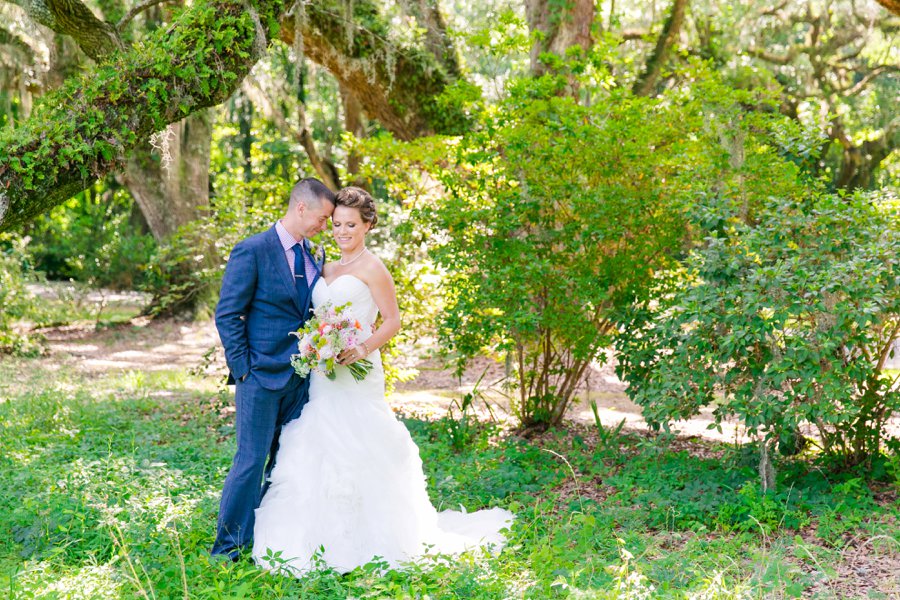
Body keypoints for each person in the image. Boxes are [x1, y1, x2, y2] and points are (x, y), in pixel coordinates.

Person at [252, 187, 513, 576]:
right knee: (318, 442)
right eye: (336, 224)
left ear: (368, 225)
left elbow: (392, 320)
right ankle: (309, 538)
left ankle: (372, 539)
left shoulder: (374, 268)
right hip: (326, 377)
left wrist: (360, 348)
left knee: (361, 444)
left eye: (350, 225)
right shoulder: (323, 265)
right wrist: (316, 344)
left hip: (358, 375)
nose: (341, 231)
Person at [211, 178, 336, 560]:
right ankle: (227, 548)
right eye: (322, 217)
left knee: (284, 461)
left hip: (301, 379)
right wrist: (244, 369)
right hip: (260, 377)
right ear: (301, 208)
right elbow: (228, 313)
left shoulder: (315, 253)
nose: (325, 225)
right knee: (250, 462)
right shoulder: (252, 250)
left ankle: (267, 538)